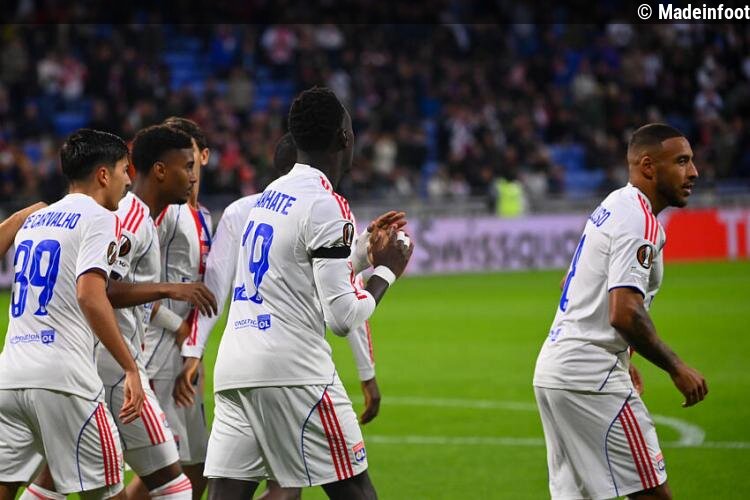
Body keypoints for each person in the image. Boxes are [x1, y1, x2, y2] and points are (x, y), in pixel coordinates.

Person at [205, 87, 414, 500]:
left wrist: (360, 254)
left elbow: (295, 272)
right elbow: (342, 317)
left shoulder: (267, 198)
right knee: (355, 489)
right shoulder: (325, 203)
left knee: (227, 495)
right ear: (344, 138)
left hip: (235, 368)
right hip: (295, 373)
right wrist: (387, 270)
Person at [533, 123, 708, 500]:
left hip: (555, 371)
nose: (693, 172)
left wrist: (622, 354)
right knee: (652, 495)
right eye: (682, 162)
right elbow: (624, 312)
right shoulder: (639, 220)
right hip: (590, 377)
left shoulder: (615, 203)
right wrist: (677, 367)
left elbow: (571, 284)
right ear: (648, 166)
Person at [0, 129, 145, 500]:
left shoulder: (35, 219)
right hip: (64, 380)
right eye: (124, 170)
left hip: (10, 378)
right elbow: (90, 295)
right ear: (103, 175)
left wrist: (16, 219)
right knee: (107, 491)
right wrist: (130, 367)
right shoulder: (100, 218)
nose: (129, 181)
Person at [127, 117, 214, 500]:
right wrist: (176, 327)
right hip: (158, 350)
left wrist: (194, 349)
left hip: (185, 352)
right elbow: (135, 282)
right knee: (166, 470)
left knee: (197, 466)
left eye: (192, 161)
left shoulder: (201, 215)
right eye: (183, 162)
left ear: (203, 157)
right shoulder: (163, 213)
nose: (189, 172)